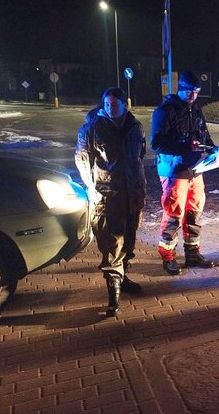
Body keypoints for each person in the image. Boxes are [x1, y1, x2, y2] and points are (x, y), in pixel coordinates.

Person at [75, 87, 147, 317]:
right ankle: (113, 294)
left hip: (133, 195)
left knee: (128, 242)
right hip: (108, 196)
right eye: (107, 104)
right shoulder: (92, 129)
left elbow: (140, 156)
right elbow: (83, 161)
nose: (111, 108)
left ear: (125, 104)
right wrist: (93, 189)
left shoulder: (135, 127)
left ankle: (123, 279)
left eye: (115, 104)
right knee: (112, 244)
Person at [151, 70, 218, 275]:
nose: (193, 96)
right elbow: (157, 143)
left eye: (196, 92)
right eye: (190, 92)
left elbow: (204, 134)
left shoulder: (195, 110)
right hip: (174, 170)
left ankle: (192, 253)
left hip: (194, 168)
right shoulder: (164, 111)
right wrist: (185, 146)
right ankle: (168, 256)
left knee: (194, 211)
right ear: (180, 89)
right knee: (174, 213)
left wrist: (212, 149)